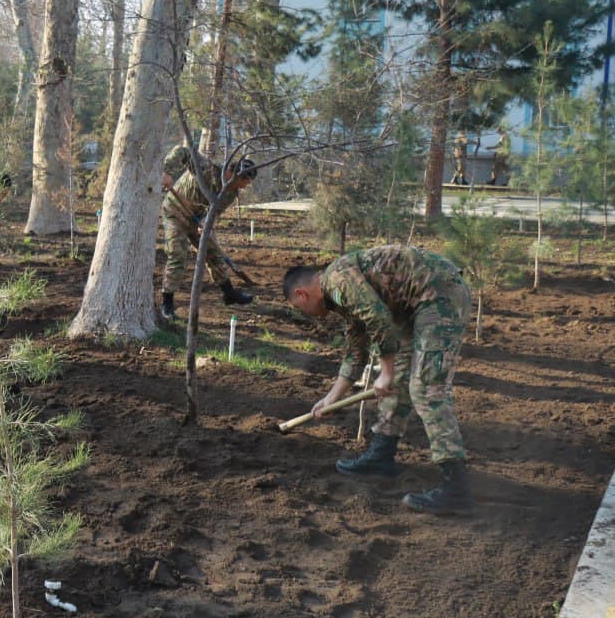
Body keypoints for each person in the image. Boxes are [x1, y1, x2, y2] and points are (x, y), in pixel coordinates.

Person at [282, 244, 475, 515]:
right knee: (399, 382)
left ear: (302, 293)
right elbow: (355, 352)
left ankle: (457, 487)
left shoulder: (337, 280)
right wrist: (331, 398)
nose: (304, 312)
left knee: (426, 388)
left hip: (439, 296)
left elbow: (379, 319)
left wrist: (386, 373)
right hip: (418, 305)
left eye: (299, 306)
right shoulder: (341, 296)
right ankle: (381, 456)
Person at [160, 156, 257, 318]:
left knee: (214, 253)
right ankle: (167, 303)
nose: (246, 186)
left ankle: (229, 293)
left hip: (196, 218)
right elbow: (182, 152)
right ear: (237, 176)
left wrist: (206, 222)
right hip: (175, 213)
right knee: (177, 256)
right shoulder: (209, 168)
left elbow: (215, 212)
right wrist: (165, 172)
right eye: (246, 182)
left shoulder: (230, 193)